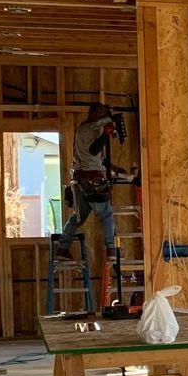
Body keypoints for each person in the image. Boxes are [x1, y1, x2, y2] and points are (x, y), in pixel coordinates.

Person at [50, 102, 129, 273]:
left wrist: (113, 169)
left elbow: (96, 157)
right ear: (96, 114)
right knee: (106, 214)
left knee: (77, 217)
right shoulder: (91, 129)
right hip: (92, 180)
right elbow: (94, 150)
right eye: (102, 115)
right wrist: (105, 134)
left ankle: (63, 249)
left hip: (80, 181)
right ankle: (111, 249)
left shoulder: (82, 129)